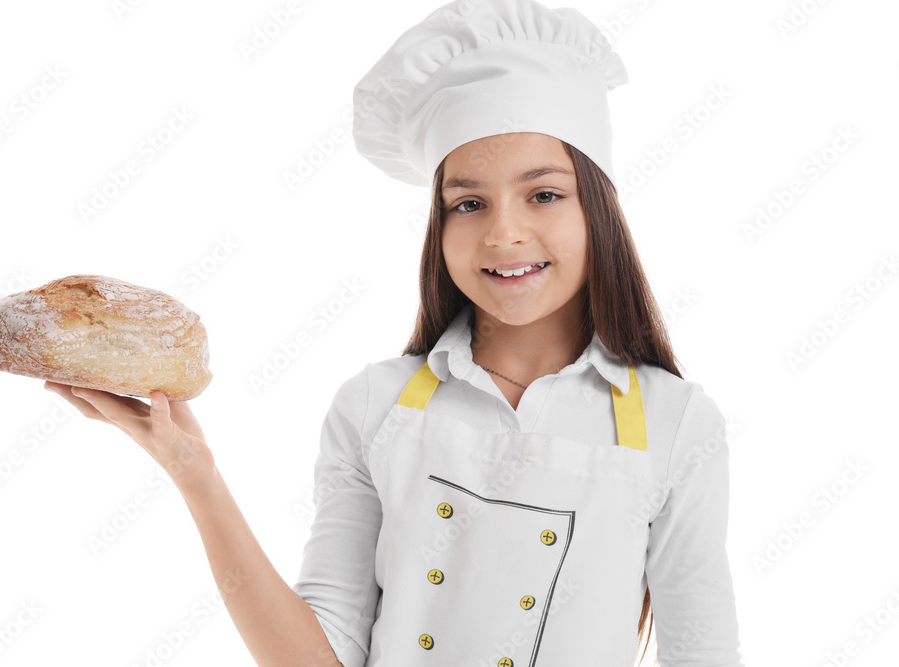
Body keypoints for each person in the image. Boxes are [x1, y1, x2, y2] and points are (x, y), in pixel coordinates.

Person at [46, 0, 745, 665]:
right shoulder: (375, 405)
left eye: (544, 193)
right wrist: (196, 475)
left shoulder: (676, 424)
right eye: (468, 203)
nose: (503, 232)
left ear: (599, 209)